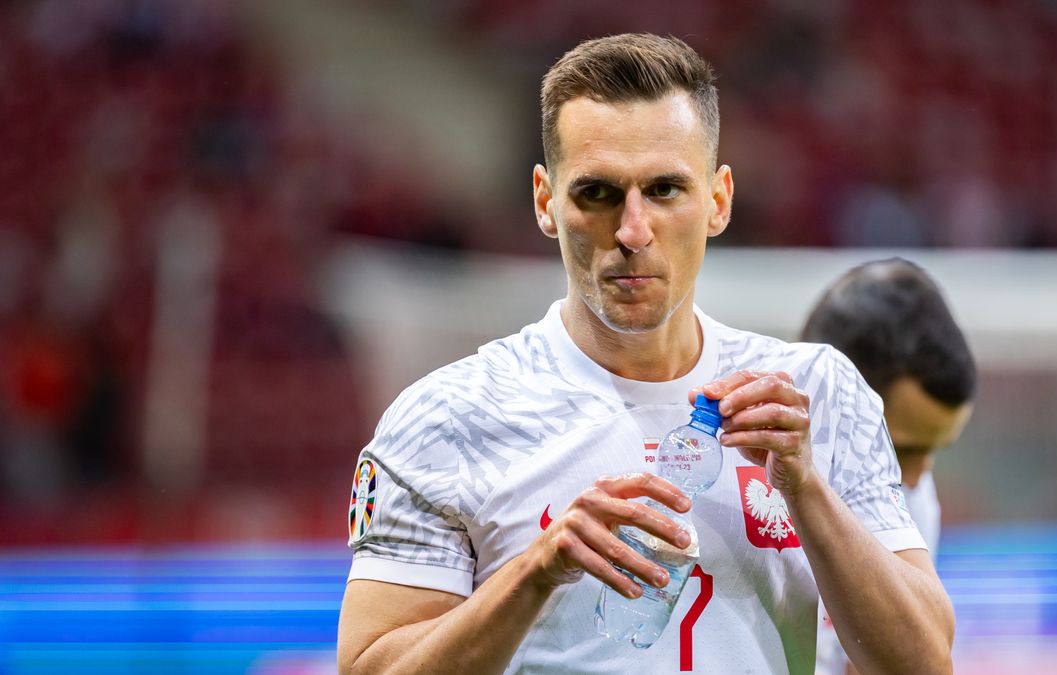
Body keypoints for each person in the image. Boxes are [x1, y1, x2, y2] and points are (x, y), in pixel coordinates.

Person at [336, 34, 954, 674]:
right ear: (547, 201)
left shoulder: (818, 395)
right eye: (598, 193)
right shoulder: (447, 419)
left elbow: (922, 664)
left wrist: (806, 488)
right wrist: (534, 572)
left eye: (664, 190)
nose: (633, 231)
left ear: (718, 200)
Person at [801, 258, 976, 675]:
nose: (917, 477)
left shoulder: (911, 502)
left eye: (935, 450)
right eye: (901, 450)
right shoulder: (738, 480)